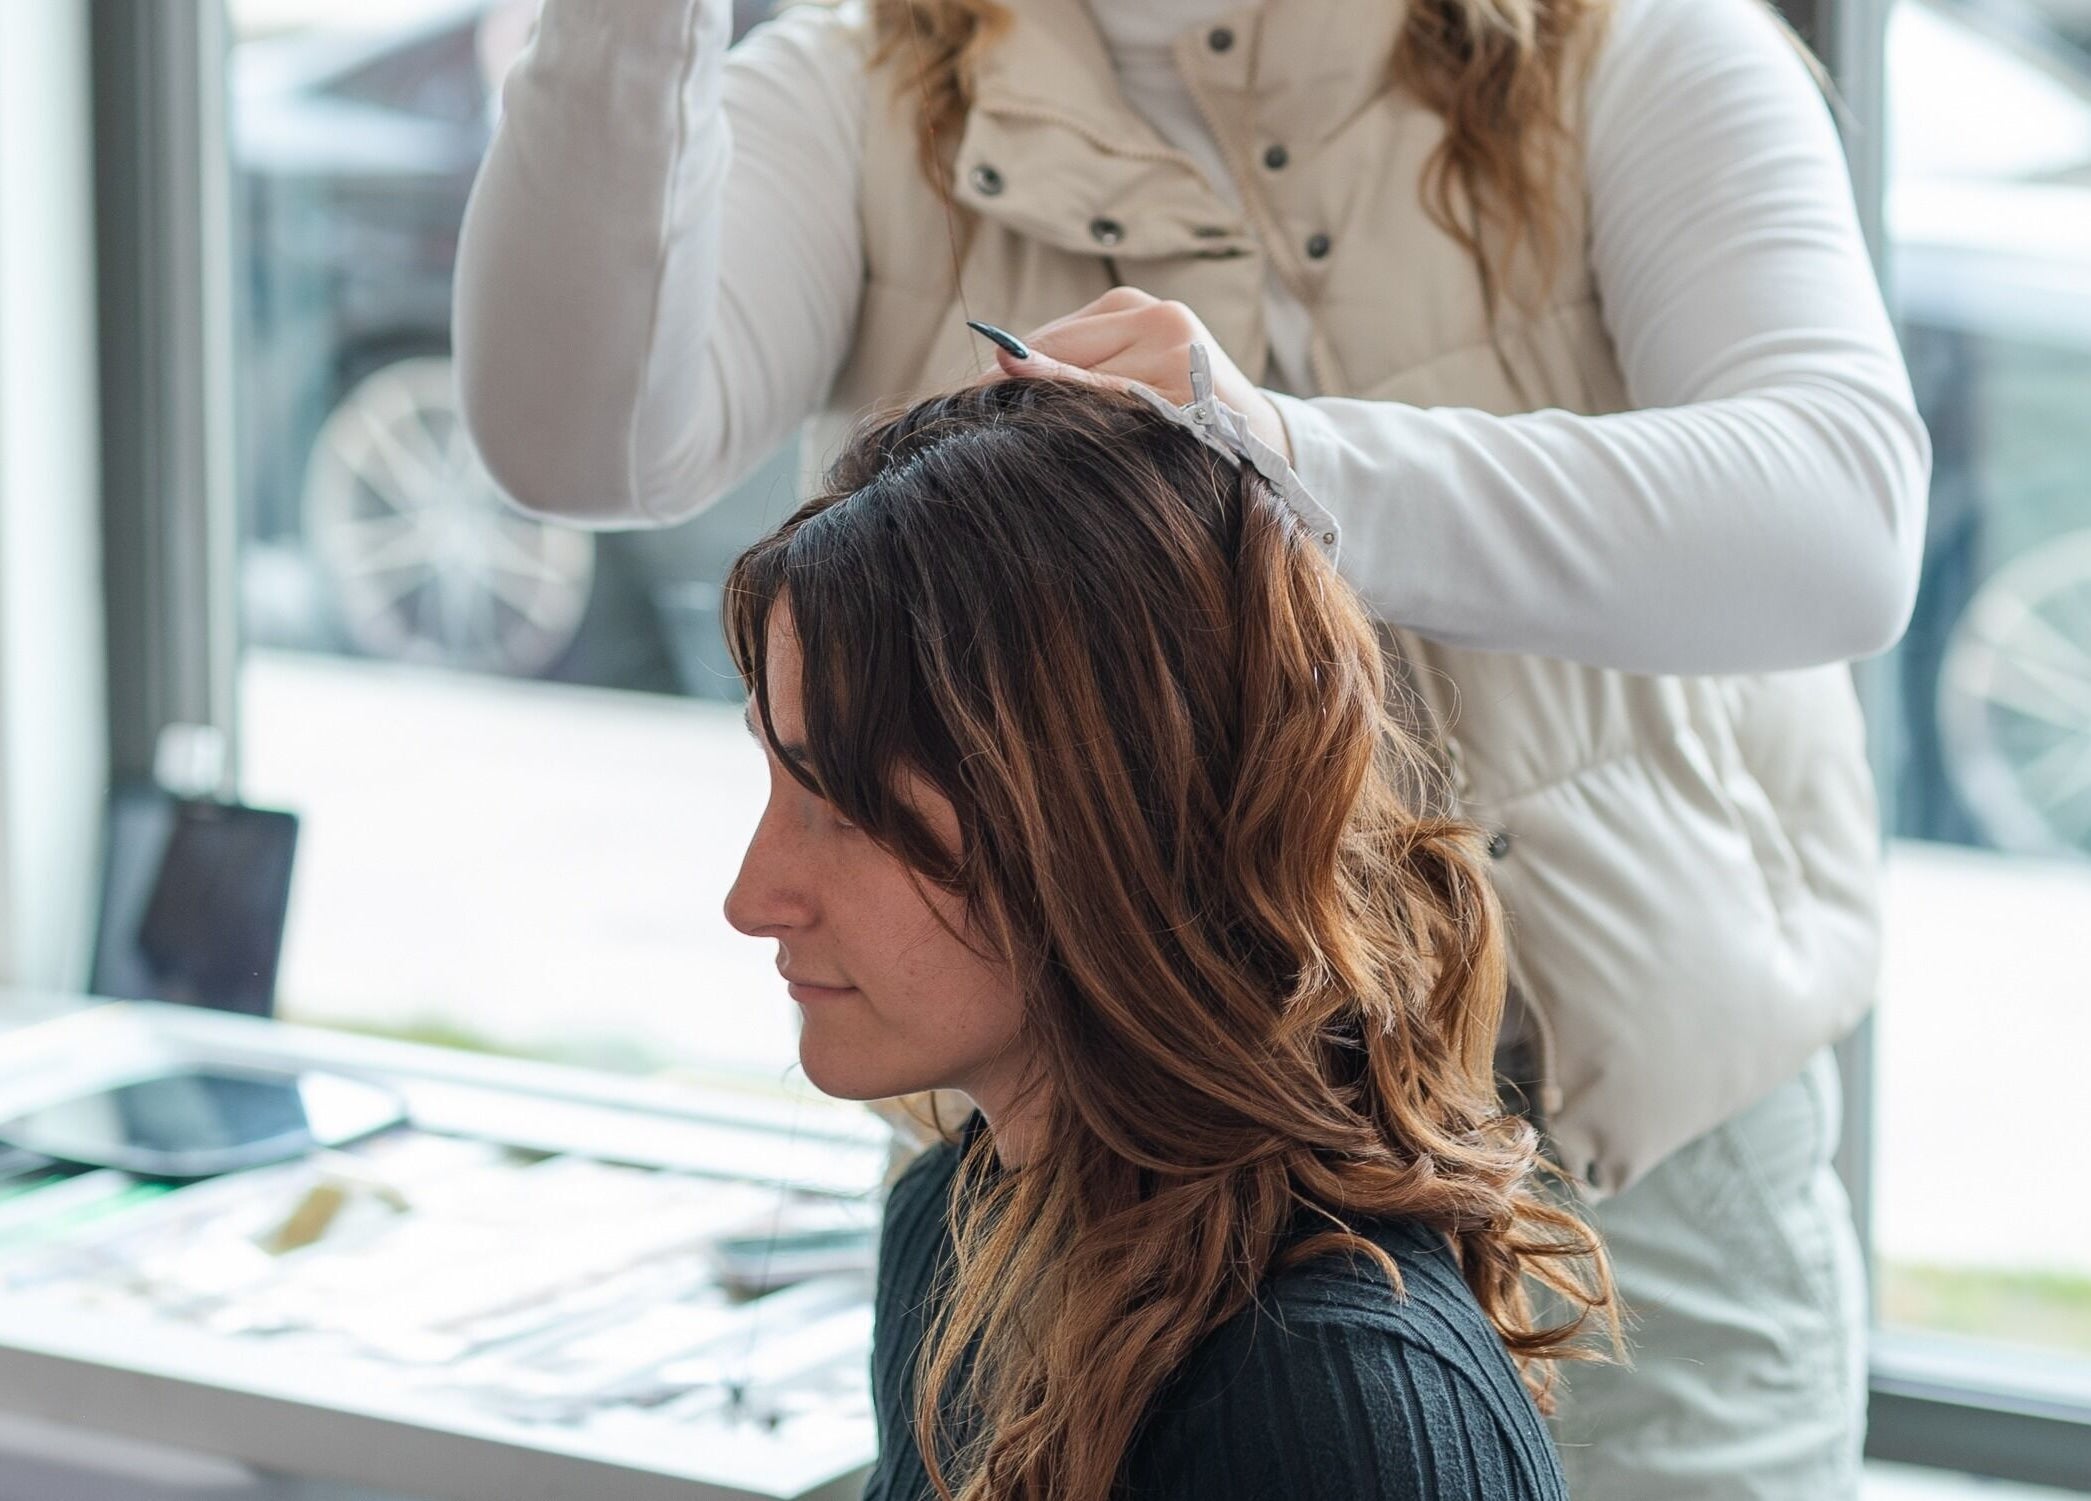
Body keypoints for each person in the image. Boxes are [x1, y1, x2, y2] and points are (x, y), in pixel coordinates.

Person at [455, 0, 1931, 1493]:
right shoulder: (869, 86)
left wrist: (1290, 463)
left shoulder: (1622, 48)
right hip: (1068, 1145)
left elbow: (1843, 526)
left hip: (1627, 1132)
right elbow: (575, 440)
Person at [722, 372, 1615, 1500]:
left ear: (1092, 826)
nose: (754, 898)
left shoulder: (1331, 1409)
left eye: (841, 809)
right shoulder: (956, 1235)